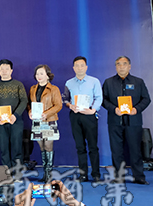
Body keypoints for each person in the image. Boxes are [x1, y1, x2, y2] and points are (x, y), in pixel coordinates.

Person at [102, 56, 151, 184]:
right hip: (115, 121)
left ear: (129, 66)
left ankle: (139, 177)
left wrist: (136, 109)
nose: (121, 66)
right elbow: (103, 100)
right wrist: (114, 109)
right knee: (116, 150)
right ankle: (119, 177)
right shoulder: (108, 82)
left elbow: (146, 99)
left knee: (135, 150)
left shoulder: (138, 82)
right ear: (115, 67)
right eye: (118, 64)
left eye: (124, 64)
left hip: (133, 122)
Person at [63, 56, 103, 182]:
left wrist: (93, 110)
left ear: (86, 67)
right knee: (80, 147)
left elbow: (99, 97)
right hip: (75, 116)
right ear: (73, 68)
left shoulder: (94, 81)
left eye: (82, 65)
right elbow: (65, 99)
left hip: (89, 115)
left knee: (93, 146)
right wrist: (70, 105)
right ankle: (83, 174)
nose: (79, 68)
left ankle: (96, 174)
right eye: (77, 66)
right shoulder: (69, 83)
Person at [0, 59, 28, 171]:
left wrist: (15, 115)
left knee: (17, 147)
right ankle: (6, 171)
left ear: (11, 70)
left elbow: (24, 101)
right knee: (3, 147)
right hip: (0, 121)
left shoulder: (18, 85)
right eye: (2, 69)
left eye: (7, 69)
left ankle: (18, 171)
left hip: (16, 120)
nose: (4, 71)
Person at [28, 64, 62, 182]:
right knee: (41, 147)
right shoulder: (33, 88)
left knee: (48, 146)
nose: (39, 76)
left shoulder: (54, 89)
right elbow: (29, 104)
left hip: (49, 121)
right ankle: (45, 173)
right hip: (37, 122)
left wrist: (46, 114)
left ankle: (49, 174)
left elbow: (58, 105)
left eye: (41, 73)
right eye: (37, 74)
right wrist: (30, 112)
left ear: (48, 75)